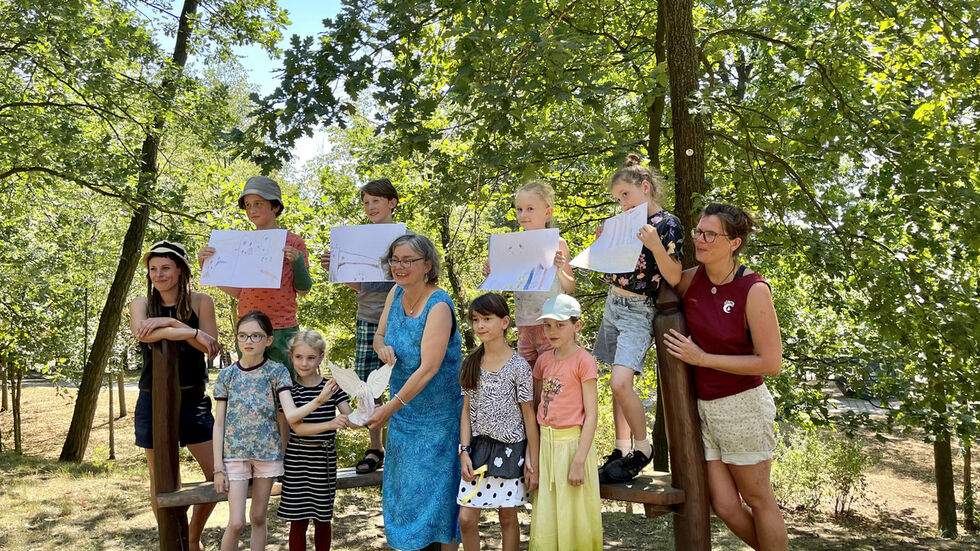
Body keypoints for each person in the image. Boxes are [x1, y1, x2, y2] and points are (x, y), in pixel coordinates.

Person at [663, 203, 788, 551]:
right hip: (704, 410)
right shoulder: (691, 279)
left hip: (743, 406)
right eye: (698, 232)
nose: (700, 240)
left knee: (757, 498)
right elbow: (660, 272)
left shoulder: (753, 289)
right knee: (726, 506)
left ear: (734, 243)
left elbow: (771, 362)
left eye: (710, 234)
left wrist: (702, 359)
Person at [364, 233, 463, 550]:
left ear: (427, 266)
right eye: (395, 259)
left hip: (439, 423)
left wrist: (387, 410)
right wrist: (382, 348)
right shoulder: (395, 293)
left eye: (408, 260)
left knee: (439, 508)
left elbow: (429, 368)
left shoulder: (439, 305)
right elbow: (378, 336)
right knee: (403, 502)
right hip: (404, 419)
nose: (399, 266)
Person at [594, 154, 684, 483]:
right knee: (612, 383)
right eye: (618, 199)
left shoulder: (667, 224)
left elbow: (674, 276)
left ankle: (643, 449)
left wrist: (655, 244)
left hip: (638, 311)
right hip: (613, 303)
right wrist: (602, 243)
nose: (622, 204)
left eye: (626, 196)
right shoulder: (623, 223)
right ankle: (620, 448)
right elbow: (610, 268)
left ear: (645, 188)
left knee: (621, 383)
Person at [129, 240, 221, 551]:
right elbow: (143, 332)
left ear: (180, 270)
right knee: (163, 482)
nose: (159, 274)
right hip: (152, 401)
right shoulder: (140, 304)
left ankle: (192, 538)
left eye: (166, 267)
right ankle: (171, 543)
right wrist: (188, 331)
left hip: (193, 399)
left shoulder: (201, 302)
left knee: (215, 475)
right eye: (153, 269)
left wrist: (173, 324)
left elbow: (211, 347)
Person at [211, 311, 320, 551]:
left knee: (259, 517)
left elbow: (287, 415)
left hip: (267, 455)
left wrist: (321, 401)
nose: (248, 341)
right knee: (237, 522)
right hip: (234, 456)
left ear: (269, 340)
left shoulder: (277, 372)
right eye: (243, 336)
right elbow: (218, 424)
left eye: (256, 336)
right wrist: (218, 468)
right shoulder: (227, 376)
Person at [320, 177, 399, 474]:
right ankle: (375, 447)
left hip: (401, 316)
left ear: (391, 202)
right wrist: (337, 268)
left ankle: (399, 445)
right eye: (365, 202)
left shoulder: (406, 238)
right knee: (369, 385)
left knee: (403, 380)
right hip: (368, 315)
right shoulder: (355, 239)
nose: (370, 207)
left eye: (375, 201)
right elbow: (362, 285)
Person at [197, 175, 313, 375]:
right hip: (248, 327)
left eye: (258, 203)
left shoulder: (293, 242)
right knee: (250, 386)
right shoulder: (241, 243)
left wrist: (298, 262)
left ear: (275, 206)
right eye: (248, 205)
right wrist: (211, 270)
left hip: (282, 328)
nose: (252, 210)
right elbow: (240, 292)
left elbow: (303, 289)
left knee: (284, 388)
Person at [456, 293, 539, 551]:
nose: (480, 325)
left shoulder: (519, 366)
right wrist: (464, 451)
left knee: (507, 517)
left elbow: (528, 416)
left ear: (504, 322)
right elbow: (467, 413)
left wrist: (532, 460)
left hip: (510, 451)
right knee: (466, 519)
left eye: (487, 319)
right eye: (476, 320)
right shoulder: (471, 363)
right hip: (478, 450)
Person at [529, 294, 602, 550]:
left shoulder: (584, 361)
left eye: (560, 325)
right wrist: (533, 456)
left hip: (573, 446)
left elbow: (592, 414)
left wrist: (579, 461)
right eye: (548, 325)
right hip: (547, 448)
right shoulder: (543, 361)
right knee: (550, 512)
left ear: (577, 325)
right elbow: (538, 406)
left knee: (575, 513)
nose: (552, 331)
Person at [482, 181, 575, 367]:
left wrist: (559, 270)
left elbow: (570, 287)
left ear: (547, 212)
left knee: (552, 372)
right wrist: (491, 274)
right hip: (524, 324)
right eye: (519, 209)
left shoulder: (558, 243)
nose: (523, 214)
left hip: (552, 324)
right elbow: (505, 283)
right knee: (528, 374)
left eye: (530, 209)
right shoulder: (512, 246)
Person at [277, 330, 354, 551]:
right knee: (298, 520)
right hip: (297, 459)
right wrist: (329, 422)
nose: (304, 363)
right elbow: (297, 428)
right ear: (291, 356)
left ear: (321, 357)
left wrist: (366, 411)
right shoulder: (288, 389)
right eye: (299, 357)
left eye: (311, 357)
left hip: (324, 460)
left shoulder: (332, 386)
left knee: (322, 519)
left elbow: (349, 417)